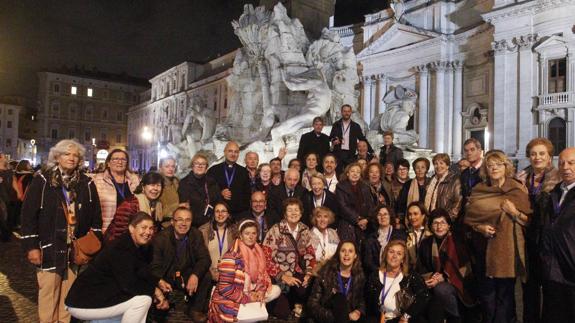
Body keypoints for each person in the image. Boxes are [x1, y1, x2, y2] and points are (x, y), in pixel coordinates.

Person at [21, 139, 102, 323]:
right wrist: (31, 246)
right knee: (49, 295)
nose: (72, 158)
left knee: (68, 298)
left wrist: (93, 239)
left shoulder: (86, 183)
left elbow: (96, 217)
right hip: (49, 247)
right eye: (67, 154)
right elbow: (28, 216)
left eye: (76, 155)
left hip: (74, 250)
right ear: (57, 157)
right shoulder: (43, 180)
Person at [65, 213, 171, 323]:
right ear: (131, 228)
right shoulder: (120, 248)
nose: (148, 232)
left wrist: (157, 281)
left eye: (151, 228)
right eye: (143, 227)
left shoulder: (134, 246)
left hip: (100, 298)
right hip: (83, 302)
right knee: (143, 300)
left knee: (133, 301)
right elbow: (129, 285)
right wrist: (154, 291)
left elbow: (140, 271)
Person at [465, 150, 532, 323]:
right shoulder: (479, 190)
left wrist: (514, 212)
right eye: (490, 165)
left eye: (498, 164)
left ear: (506, 166)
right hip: (483, 249)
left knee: (505, 296)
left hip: (506, 251)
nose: (494, 168)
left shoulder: (516, 189)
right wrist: (480, 227)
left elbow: (528, 220)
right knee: (487, 296)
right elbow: (470, 218)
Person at [515, 138, 560, 323]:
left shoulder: (558, 180)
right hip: (526, 240)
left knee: (550, 290)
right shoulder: (521, 179)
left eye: (542, 154)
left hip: (548, 242)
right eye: (533, 154)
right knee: (529, 289)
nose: (537, 157)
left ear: (549, 157)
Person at [208, 219, 281, 322]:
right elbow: (225, 289)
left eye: (254, 233)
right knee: (257, 316)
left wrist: (260, 292)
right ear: (240, 236)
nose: (251, 237)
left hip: (249, 292)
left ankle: (253, 310)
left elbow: (262, 278)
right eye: (247, 233)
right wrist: (249, 298)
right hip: (231, 298)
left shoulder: (258, 253)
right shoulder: (231, 256)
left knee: (276, 290)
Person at [150, 207, 212, 322]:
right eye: (179, 219)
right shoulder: (161, 238)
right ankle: (162, 305)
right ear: (172, 222)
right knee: (160, 314)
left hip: (187, 272)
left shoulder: (196, 234)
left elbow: (205, 258)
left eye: (188, 220)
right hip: (167, 275)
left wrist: (195, 275)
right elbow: (154, 265)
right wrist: (159, 281)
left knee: (206, 275)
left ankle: (195, 309)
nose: (184, 223)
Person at [417, 209, 475, 323]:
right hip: (434, 281)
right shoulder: (426, 243)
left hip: (459, 282)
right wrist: (432, 277)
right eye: (435, 223)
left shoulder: (458, 241)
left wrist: (443, 277)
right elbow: (421, 267)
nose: (439, 226)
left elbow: (463, 266)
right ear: (431, 226)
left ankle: (456, 318)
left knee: (441, 289)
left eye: (443, 222)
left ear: (449, 225)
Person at [262, 198, 316, 319]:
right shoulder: (275, 230)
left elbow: (310, 254)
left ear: (301, 213)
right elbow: (265, 258)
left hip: (296, 273)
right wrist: (283, 276)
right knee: (283, 313)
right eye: (290, 210)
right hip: (278, 277)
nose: (293, 213)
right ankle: (286, 301)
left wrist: (308, 273)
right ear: (285, 214)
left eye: (296, 210)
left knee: (308, 287)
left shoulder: (305, 230)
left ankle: (295, 300)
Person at [540, 147, 575, 322]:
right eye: (561, 163)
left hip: (571, 270)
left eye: (571, 162)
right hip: (552, 269)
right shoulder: (554, 192)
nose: (565, 167)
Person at [365, 240, 430, 323]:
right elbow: (369, 303)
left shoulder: (410, 275)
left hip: (402, 320)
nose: (394, 256)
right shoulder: (374, 276)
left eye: (399, 253)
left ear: (403, 259)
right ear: (385, 255)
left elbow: (424, 296)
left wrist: (407, 315)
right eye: (391, 252)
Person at [307, 241, 365, 323]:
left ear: (355, 255)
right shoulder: (325, 273)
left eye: (350, 251)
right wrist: (336, 317)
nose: (346, 254)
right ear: (338, 254)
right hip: (327, 319)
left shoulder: (359, 276)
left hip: (350, 320)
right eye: (343, 251)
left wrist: (358, 311)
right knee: (339, 298)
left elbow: (361, 300)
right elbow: (312, 304)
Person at [105, 172, 163, 242]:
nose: (155, 188)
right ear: (143, 186)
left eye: (158, 185)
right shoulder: (130, 204)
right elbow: (120, 232)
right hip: (122, 247)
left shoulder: (157, 205)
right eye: (152, 185)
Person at [92, 149, 140, 232]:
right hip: (107, 230)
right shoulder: (98, 180)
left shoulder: (135, 180)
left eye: (123, 159)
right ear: (108, 163)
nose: (119, 162)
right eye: (115, 159)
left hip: (131, 230)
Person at [207, 141, 251, 217]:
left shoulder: (244, 172)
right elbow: (207, 192)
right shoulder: (213, 170)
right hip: (218, 214)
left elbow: (247, 195)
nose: (233, 154)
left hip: (238, 214)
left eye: (236, 152)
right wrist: (219, 194)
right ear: (224, 152)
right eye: (230, 151)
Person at [337, 162, 376, 245]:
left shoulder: (365, 186)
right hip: (348, 223)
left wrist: (367, 219)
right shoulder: (340, 186)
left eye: (358, 172)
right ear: (347, 173)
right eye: (352, 171)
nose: (355, 174)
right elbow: (343, 206)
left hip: (365, 223)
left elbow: (371, 205)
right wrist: (357, 219)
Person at [178, 153, 221, 229]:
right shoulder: (184, 183)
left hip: (209, 223)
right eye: (197, 163)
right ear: (192, 166)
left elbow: (217, 201)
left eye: (203, 164)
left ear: (206, 167)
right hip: (191, 224)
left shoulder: (212, 183)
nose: (200, 166)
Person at [199, 202, 237, 285]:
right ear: (213, 214)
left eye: (223, 211)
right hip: (207, 275)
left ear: (228, 214)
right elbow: (200, 257)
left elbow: (236, 257)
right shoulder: (204, 231)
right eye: (217, 211)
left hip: (228, 275)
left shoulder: (234, 232)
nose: (220, 214)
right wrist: (211, 273)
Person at [362, 205, 406, 276]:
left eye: (385, 214)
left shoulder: (400, 235)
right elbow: (368, 262)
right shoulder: (370, 238)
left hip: (397, 274)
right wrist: (380, 271)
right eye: (379, 215)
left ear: (390, 216)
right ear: (376, 218)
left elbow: (404, 257)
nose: (383, 217)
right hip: (377, 275)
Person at [330, 104, 371, 173]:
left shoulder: (356, 126)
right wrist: (334, 140)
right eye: (345, 111)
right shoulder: (336, 124)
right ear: (341, 112)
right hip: (338, 152)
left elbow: (362, 138)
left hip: (350, 154)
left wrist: (371, 151)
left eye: (348, 111)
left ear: (351, 112)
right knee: (338, 172)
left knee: (349, 172)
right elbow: (331, 137)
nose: (346, 113)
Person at [424, 154, 462, 222]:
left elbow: (458, 201)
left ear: (447, 165)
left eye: (441, 163)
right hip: (430, 219)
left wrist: (448, 219)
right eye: (436, 164)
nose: (438, 166)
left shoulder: (454, 180)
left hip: (446, 221)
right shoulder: (431, 180)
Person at [309, 206, 340, 273]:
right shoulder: (308, 235)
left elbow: (339, 253)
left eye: (325, 217)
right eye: (319, 216)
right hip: (315, 271)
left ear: (329, 219)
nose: (322, 220)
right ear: (315, 219)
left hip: (333, 270)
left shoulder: (333, 233)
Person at [405, 201, 433, 269]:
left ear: (423, 216)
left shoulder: (431, 233)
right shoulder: (406, 234)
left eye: (415, 214)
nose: (412, 217)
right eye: (410, 214)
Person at [10, 159, 34, 229]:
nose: (30, 165)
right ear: (25, 165)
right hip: (24, 196)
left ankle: (15, 224)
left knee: (16, 211)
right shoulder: (29, 175)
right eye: (28, 164)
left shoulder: (15, 174)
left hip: (15, 195)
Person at [158, 157, 179, 225]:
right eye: (167, 166)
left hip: (177, 223)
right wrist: (178, 206)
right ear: (161, 168)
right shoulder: (157, 185)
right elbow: (158, 213)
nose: (170, 169)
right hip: (164, 225)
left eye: (173, 166)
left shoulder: (177, 183)